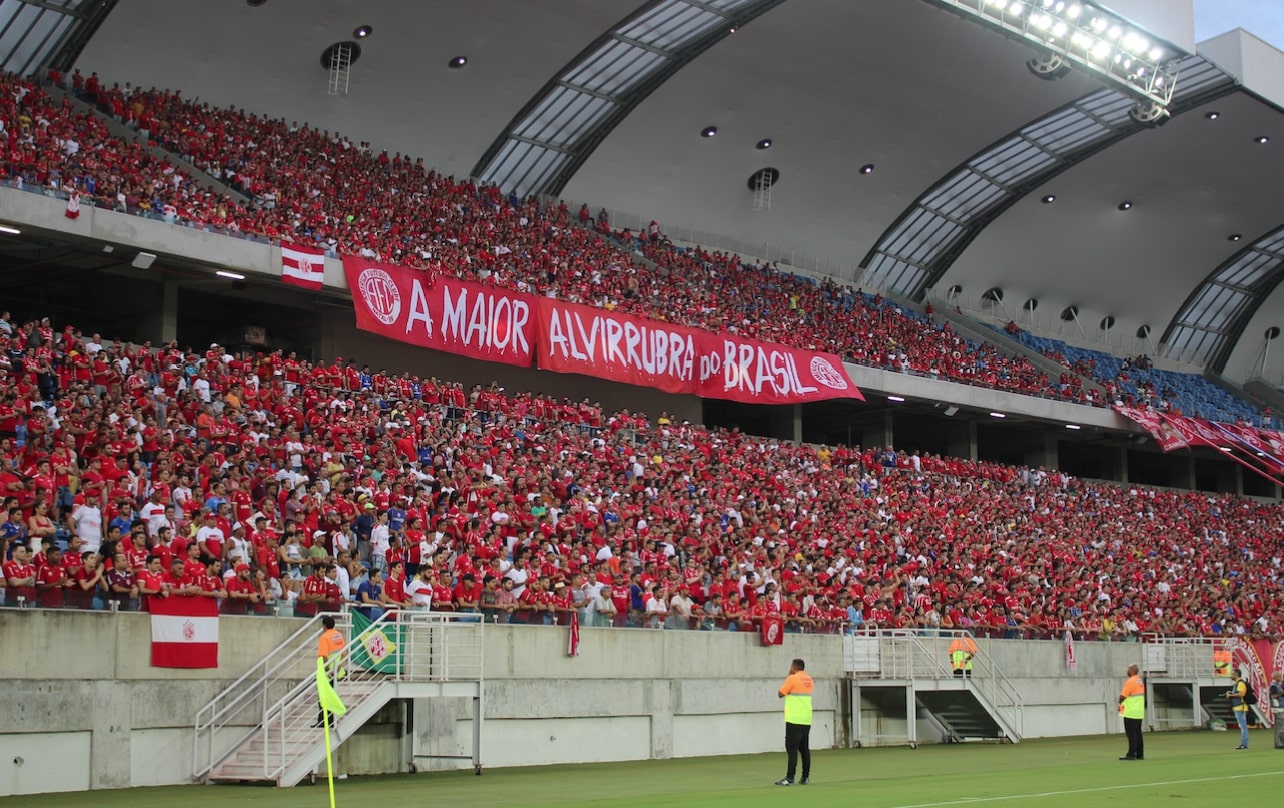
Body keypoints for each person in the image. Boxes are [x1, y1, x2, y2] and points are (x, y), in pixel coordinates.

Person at [775, 658, 813, 786]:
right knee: (804, 749)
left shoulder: (792, 678)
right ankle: (805, 777)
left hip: (794, 719)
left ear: (794, 667)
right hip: (806, 719)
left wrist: (789, 676)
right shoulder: (809, 679)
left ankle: (790, 777)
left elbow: (780, 693)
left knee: (792, 748)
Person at [314, 615, 345, 729]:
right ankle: (330, 720)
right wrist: (337, 669)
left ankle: (323, 721)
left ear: (324, 626)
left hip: (326, 674)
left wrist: (328, 671)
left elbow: (323, 656)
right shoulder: (339, 635)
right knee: (332, 695)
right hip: (337, 671)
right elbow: (343, 654)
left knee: (323, 697)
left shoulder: (325, 637)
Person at [1118, 663, 1145, 760]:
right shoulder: (1139, 681)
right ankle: (1140, 753)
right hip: (1139, 711)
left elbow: (1123, 695)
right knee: (1138, 733)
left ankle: (1131, 753)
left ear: (1132, 671)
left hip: (1131, 711)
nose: (1127, 671)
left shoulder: (1130, 681)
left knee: (1131, 734)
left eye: (1128, 669)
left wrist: (1119, 703)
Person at [1227, 667, 1250, 750]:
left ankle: (1244, 744)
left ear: (1236, 674)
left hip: (1241, 707)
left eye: (1232, 673)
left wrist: (1231, 695)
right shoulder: (1237, 683)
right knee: (1242, 726)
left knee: (1243, 726)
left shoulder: (1240, 683)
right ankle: (1244, 743)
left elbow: (1241, 694)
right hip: (1238, 707)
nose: (1231, 675)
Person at [1270, 671, 1283, 750]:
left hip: (1279, 707)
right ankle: (1278, 743)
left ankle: (1280, 742)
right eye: (1279, 676)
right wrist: (1281, 693)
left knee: (1281, 726)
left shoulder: (1277, 685)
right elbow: (1273, 696)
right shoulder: (1273, 686)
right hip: (1278, 708)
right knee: (1280, 727)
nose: (1280, 677)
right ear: (1275, 677)